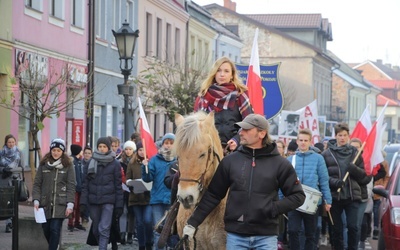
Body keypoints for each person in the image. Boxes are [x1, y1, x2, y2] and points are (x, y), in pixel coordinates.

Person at [183, 114, 305, 249]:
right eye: (241, 129)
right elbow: (213, 195)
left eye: (247, 129)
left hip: (266, 237)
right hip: (236, 236)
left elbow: (298, 196)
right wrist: (192, 223)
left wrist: (273, 208)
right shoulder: (229, 162)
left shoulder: (280, 164)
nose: (241, 132)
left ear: (262, 133)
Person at [194, 56, 253, 152]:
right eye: (219, 70)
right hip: (208, 149)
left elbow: (248, 122)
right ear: (214, 73)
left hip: (235, 149)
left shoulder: (241, 94)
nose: (222, 74)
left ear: (232, 75)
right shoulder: (203, 96)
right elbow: (196, 125)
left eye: (226, 71)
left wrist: (237, 139)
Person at [321, 123, 366, 250]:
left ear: (348, 136)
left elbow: (363, 175)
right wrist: (335, 182)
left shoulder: (355, 152)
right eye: (340, 135)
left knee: (353, 227)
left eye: (345, 135)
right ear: (335, 136)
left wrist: (354, 169)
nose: (342, 138)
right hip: (335, 196)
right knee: (336, 228)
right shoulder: (326, 154)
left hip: (352, 196)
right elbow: (323, 177)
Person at [286, 128, 332, 250]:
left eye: (305, 140)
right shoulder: (290, 160)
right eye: (300, 140)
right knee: (293, 230)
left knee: (310, 233)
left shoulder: (318, 158)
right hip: (294, 199)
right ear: (297, 141)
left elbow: (324, 180)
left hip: (312, 200)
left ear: (310, 141)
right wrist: (281, 199)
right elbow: (283, 181)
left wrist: (328, 200)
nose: (303, 142)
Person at [80, 137, 124, 250]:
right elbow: (85, 184)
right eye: (100, 146)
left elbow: (118, 186)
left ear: (108, 148)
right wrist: (83, 202)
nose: (102, 149)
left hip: (109, 201)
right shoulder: (90, 162)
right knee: (96, 228)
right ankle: (102, 245)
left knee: (104, 228)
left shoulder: (115, 164)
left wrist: (119, 204)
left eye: (104, 147)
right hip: (93, 200)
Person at [32, 138, 75, 250]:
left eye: (58, 150)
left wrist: (70, 203)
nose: (56, 152)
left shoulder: (68, 165)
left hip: (60, 204)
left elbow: (71, 185)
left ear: (63, 152)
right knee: (46, 229)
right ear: (51, 150)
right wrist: (36, 199)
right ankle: (55, 246)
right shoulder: (43, 164)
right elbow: (37, 184)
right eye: (54, 150)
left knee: (55, 229)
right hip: (45, 203)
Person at [142, 133, 176, 250]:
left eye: (171, 143)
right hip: (157, 199)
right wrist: (145, 168)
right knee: (158, 229)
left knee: (171, 230)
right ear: (162, 144)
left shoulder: (178, 159)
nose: (168, 146)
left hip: (173, 200)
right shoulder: (155, 159)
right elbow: (147, 178)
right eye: (166, 143)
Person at [126, 141, 153, 250]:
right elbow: (127, 178)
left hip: (148, 198)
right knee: (139, 223)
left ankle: (149, 242)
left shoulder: (151, 162)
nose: (142, 152)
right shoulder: (132, 163)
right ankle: (141, 245)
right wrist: (130, 184)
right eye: (140, 150)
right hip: (135, 197)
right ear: (137, 151)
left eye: (144, 150)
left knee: (147, 220)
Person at [0, 134, 24, 233]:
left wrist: (11, 170)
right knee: (5, 202)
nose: (11, 144)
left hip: (15, 180)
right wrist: (3, 169)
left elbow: (22, 167)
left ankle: (12, 223)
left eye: (13, 142)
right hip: (4, 180)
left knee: (13, 202)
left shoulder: (19, 153)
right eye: (9, 142)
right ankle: (8, 223)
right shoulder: (1, 153)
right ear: (6, 143)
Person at [119, 140, 137, 245]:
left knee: (132, 213)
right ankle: (122, 233)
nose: (128, 151)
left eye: (130, 149)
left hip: (133, 190)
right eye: (126, 149)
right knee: (123, 212)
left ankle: (130, 233)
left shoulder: (136, 162)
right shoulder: (120, 162)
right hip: (123, 190)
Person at [67, 144, 86, 232]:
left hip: (80, 187)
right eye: (81, 150)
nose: (82, 152)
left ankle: (77, 222)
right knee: (73, 206)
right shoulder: (72, 161)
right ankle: (70, 223)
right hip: (74, 187)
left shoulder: (80, 161)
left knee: (79, 207)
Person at [372, 151, 389, 240]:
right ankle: (366, 230)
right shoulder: (370, 161)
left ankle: (375, 228)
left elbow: (386, 177)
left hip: (379, 189)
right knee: (367, 211)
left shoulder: (384, 164)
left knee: (376, 210)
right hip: (369, 188)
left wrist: (383, 186)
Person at [80, 146, 92, 228]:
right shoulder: (80, 163)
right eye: (86, 153)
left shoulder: (93, 164)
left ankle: (85, 218)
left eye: (89, 153)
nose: (87, 155)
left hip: (89, 187)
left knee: (87, 204)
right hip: (80, 186)